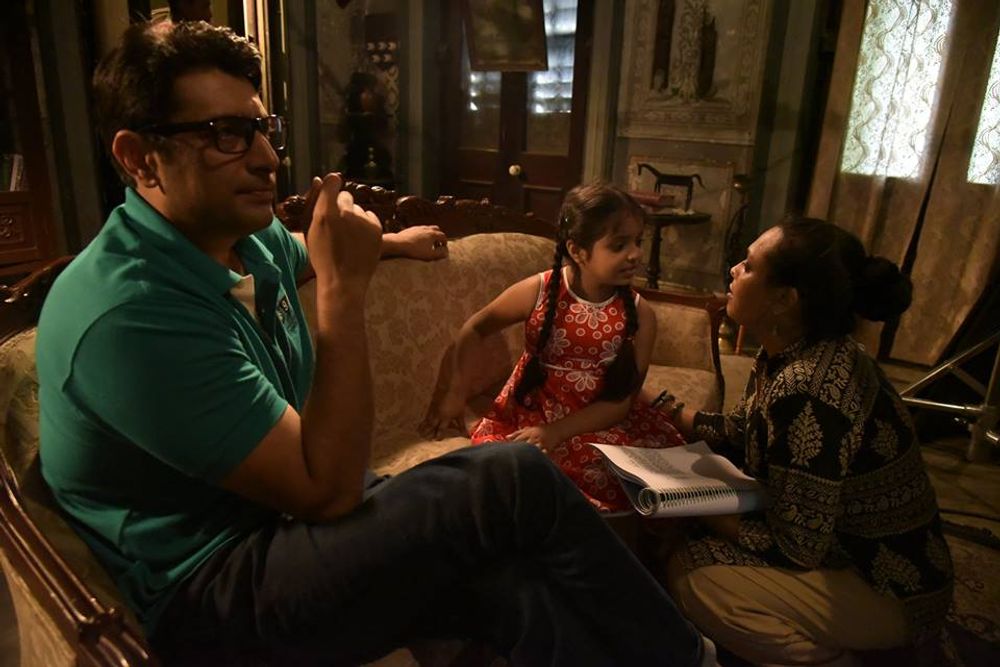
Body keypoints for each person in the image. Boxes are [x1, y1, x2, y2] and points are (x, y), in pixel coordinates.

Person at [36, 21, 715, 666]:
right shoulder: (129, 313)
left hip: (279, 520)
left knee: (510, 583)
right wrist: (344, 291)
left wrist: (394, 240)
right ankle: (689, 657)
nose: (269, 158)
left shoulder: (240, 237)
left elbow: (301, 248)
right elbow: (325, 491)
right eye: (226, 135)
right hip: (215, 586)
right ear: (140, 158)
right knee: (512, 474)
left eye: (264, 129)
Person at [657, 217, 953, 665]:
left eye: (749, 266)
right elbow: (742, 431)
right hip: (859, 558)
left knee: (697, 578)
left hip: (887, 586)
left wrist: (687, 504)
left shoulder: (807, 387)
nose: (734, 270)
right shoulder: (798, 349)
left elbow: (797, 546)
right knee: (691, 546)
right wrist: (663, 408)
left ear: (784, 299)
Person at [422, 183, 687, 513]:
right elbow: (475, 328)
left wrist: (555, 432)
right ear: (578, 251)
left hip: (595, 420)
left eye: (638, 242)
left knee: (615, 477)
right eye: (619, 245)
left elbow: (621, 403)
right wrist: (455, 394)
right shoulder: (541, 289)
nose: (634, 254)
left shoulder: (641, 314)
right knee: (506, 468)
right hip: (527, 411)